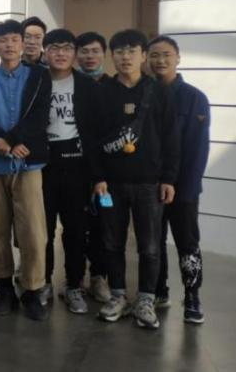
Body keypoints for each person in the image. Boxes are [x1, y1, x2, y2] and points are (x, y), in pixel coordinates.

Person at [94, 29, 179, 330]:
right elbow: (92, 138)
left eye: (132, 51)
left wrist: (168, 178)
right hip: (111, 184)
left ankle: (145, 300)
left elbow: (172, 138)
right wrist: (98, 176)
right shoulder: (102, 92)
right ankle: (118, 295)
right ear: (112, 56)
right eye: (119, 51)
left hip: (149, 183)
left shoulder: (159, 92)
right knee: (112, 242)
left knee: (150, 245)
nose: (125, 57)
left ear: (143, 56)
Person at [0, 20, 51, 321]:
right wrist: (0, 142)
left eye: (14, 39)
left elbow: (40, 115)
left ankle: (32, 289)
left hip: (28, 162)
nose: (9, 45)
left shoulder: (39, 76)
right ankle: (3, 288)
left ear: (23, 43)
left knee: (33, 231)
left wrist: (15, 140)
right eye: (2, 40)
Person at [40, 29, 102, 314]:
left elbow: (95, 133)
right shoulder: (36, 82)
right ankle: (42, 281)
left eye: (67, 48)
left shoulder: (87, 86)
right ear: (45, 52)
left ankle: (74, 285)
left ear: (74, 53)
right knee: (43, 230)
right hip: (42, 166)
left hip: (77, 166)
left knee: (76, 230)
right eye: (54, 47)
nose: (61, 53)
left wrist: (97, 174)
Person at [148, 36, 209, 324]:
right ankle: (158, 291)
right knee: (153, 242)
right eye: (154, 55)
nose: (160, 60)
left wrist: (188, 188)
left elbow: (199, 149)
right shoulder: (145, 93)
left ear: (178, 58)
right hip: (150, 184)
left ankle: (192, 295)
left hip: (183, 187)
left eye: (166, 55)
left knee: (187, 242)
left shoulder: (194, 97)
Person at [74, 31, 112, 303]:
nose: (90, 56)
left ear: (104, 54)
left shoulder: (112, 86)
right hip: (73, 165)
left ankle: (99, 276)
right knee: (76, 226)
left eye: (95, 51)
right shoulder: (69, 84)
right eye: (84, 51)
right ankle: (74, 279)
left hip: (106, 169)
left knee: (102, 225)